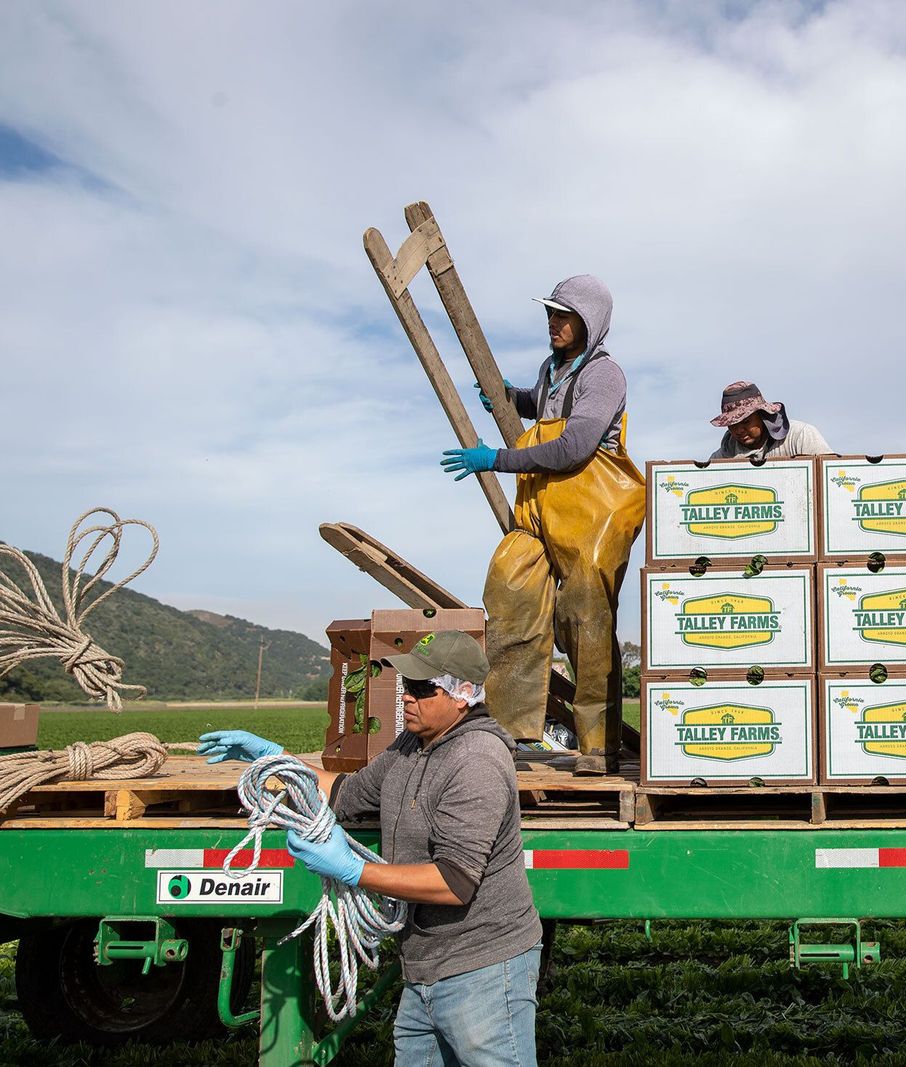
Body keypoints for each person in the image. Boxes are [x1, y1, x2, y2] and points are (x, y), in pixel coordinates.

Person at [197, 631, 540, 1067]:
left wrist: (352, 869)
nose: (406, 699)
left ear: (464, 694)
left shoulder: (477, 761)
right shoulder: (411, 747)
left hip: (482, 970)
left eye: (420, 688)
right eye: (404, 686)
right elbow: (343, 794)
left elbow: (454, 883)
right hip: (424, 967)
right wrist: (272, 758)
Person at [441, 275, 645, 774]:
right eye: (550, 314)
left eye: (563, 316)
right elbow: (545, 403)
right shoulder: (553, 368)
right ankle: (506, 734)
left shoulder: (604, 375)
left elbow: (574, 446)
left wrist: (497, 458)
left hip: (594, 513)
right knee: (509, 591)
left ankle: (598, 747)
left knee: (584, 618)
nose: (553, 324)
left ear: (588, 322)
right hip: (541, 509)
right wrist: (512, 398)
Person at [707, 381, 831, 460]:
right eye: (732, 425)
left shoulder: (800, 436)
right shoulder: (724, 455)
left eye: (746, 422)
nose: (739, 430)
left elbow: (830, 477)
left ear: (762, 415)